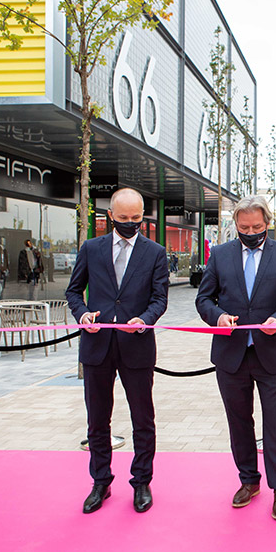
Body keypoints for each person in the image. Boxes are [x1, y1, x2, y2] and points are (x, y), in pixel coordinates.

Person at [195, 196, 276, 521]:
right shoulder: (219, 255)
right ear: (236, 226)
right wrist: (216, 317)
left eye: (257, 226)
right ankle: (248, 480)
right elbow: (204, 298)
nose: (251, 231)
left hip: (273, 353)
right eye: (244, 227)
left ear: (267, 224)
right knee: (239, 421)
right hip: (231, 354)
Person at [66, 188, 169, 515]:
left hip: (137, 346)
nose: (130, 224)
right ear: (110, 215)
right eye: (123, 218)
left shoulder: (155, 252)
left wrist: (144, 320)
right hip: (96, 347)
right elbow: (73, 291)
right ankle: (100, 481)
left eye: (136, 219)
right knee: (97, 419)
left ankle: (142, 481)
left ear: (143, 217)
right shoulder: (91, 249)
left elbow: (160, 299)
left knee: (143, 418)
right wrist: (82, 315)